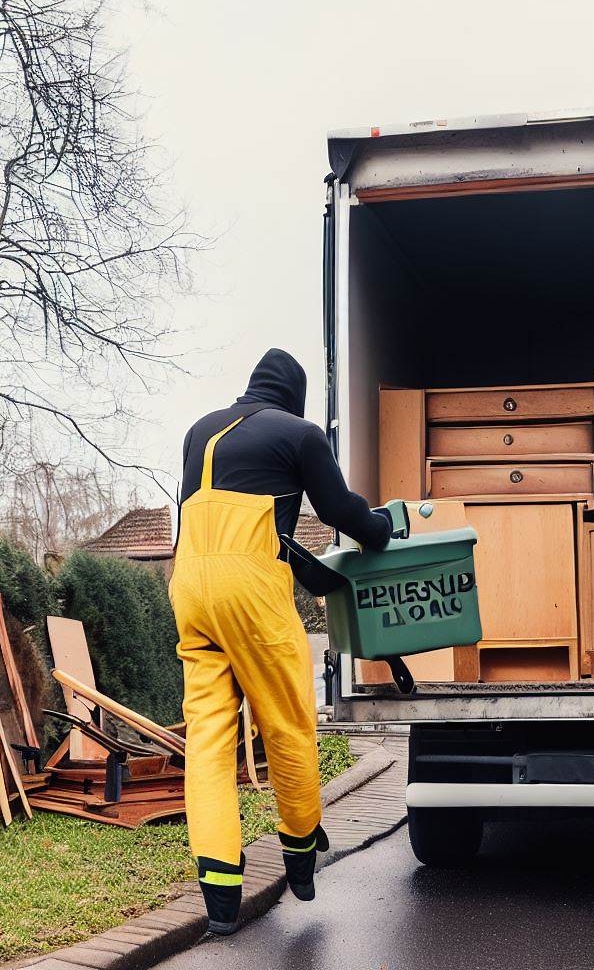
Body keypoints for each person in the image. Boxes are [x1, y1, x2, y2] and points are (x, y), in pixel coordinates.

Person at [169, 348, 392, 935]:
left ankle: (219, 894)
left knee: (209, 739)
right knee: (287, 721)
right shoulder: (300, 434)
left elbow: (196, 517)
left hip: (189, 585)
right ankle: (298, 853)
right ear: (294, 396)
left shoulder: (198, 431)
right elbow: (341, 510)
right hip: (251, 589)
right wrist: (381, 529)